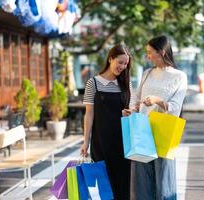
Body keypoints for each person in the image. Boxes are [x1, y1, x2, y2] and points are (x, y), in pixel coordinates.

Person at [130, 35, 187, 200]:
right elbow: (137, 96)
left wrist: (157, 101)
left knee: (164, 181)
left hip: (164, 131)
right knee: (141, 181)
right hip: (142, 130)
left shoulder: (179, 76)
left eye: (150, 52)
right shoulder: (147, 73)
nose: (147, 56)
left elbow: (175, 108)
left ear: (161, 52)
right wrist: (132, 109)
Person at [80, 44, 132, 200]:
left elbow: (131, 110)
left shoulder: (126, 84)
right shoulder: (93, 83)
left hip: (123, 143)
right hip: (101, 143)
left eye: (125, 64)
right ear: (111, 59)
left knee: (123, 185)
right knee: (104, 186)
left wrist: (129, 112)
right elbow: (89, 115)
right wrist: (85, 142)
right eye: (120, 62)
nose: (123, 67)